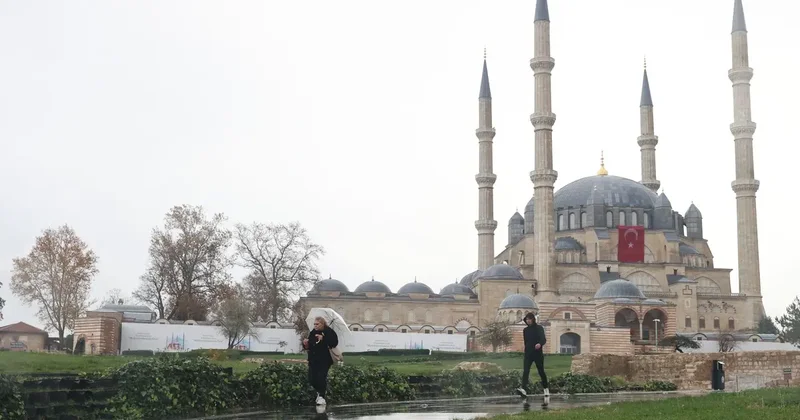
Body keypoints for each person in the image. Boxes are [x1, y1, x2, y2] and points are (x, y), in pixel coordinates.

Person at [303, 316, 339, 406]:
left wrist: (323, 339)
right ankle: (319, 393)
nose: (315, 325)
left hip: (324, 360)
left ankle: (322, 396)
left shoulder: (329, 331)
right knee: (311, 378)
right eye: (314, 324)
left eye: (317, 324)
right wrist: (306, 344)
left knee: (321, 377)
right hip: (313, 360)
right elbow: (310, 345)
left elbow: (334, 343)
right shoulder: (313, 332)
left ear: (322, 324)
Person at [516, 312, 549, 397]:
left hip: (537, 354)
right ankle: (523, 389)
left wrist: (539, 344)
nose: (528, 321)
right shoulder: (525, 330)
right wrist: (526, 350)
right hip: (528, 354)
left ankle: (546, 389)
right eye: (527, 319)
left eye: (529, 319)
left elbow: (543, 339)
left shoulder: (539, 328)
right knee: (526, 371)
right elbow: (526, 342)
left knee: (541, 371)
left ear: (533, 319)